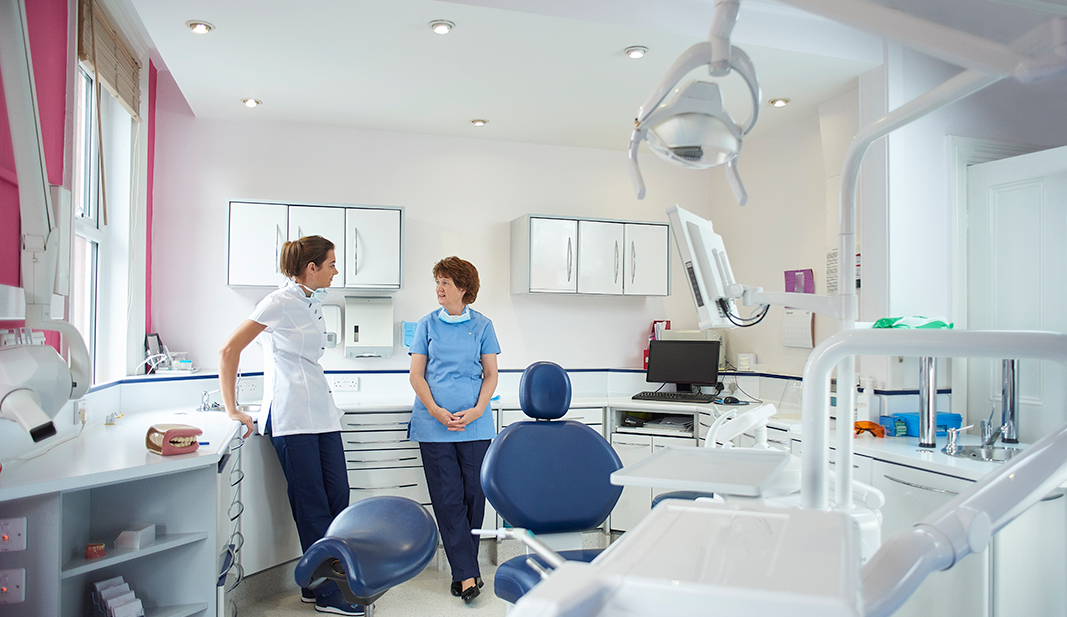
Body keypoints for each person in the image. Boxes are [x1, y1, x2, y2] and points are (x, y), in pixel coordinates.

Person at [218, 235, 362, 616]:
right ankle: (328, 591)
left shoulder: (312, 302)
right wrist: (232, 408)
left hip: (322, 415)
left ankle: (318, 583)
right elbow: (229, 349)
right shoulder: (278, 301)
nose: (336, 270)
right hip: (291, 416)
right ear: (311, 267)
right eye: (332, 264)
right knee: (312, 504)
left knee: (338, 495)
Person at [408, 256, 500, 604]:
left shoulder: (483, 325)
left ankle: (464, 569)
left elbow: (490, 374)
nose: (439, 288)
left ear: (464, 288)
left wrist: (477, 409)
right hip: (435, 424)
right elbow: (416, 374)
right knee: (448, 500)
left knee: (474, 498)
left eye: (446, 282)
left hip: (475, 424)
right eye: (438, 281)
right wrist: (434, 409)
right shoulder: (426, 325)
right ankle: (466, 575)